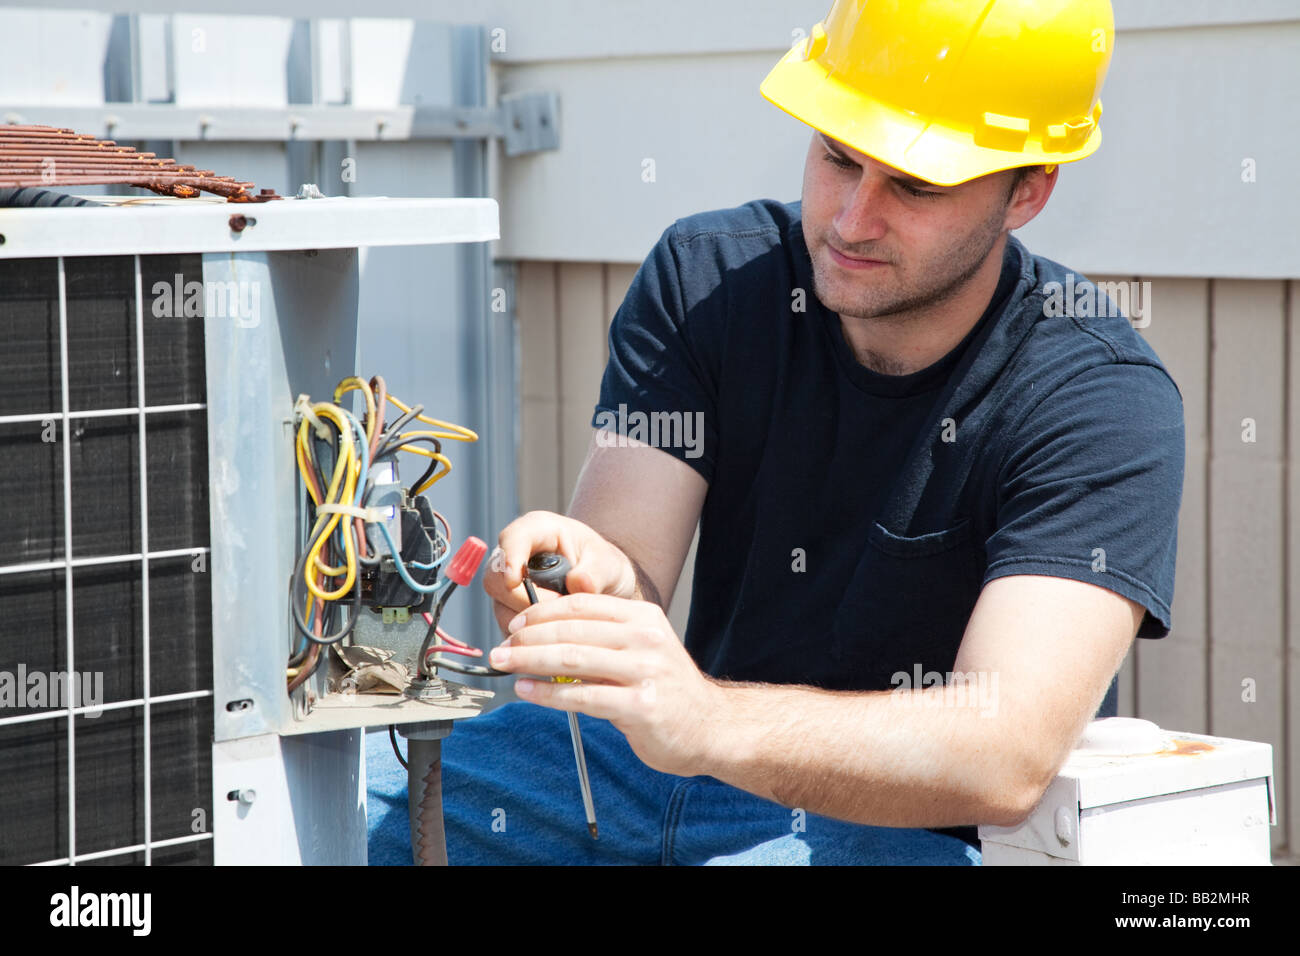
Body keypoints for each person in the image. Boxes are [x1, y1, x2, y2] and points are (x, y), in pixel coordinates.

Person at [368, 0, 1185, 865]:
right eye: (837, 157)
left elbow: (1005, 751)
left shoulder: (1100, 397)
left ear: (1028, 189)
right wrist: (593, 578)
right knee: (324, 812)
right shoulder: (707, 280)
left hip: (898, 831)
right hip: (647, 770)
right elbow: (628, 573)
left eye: (915, 185)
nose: (851, 219)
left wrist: (706, 719)